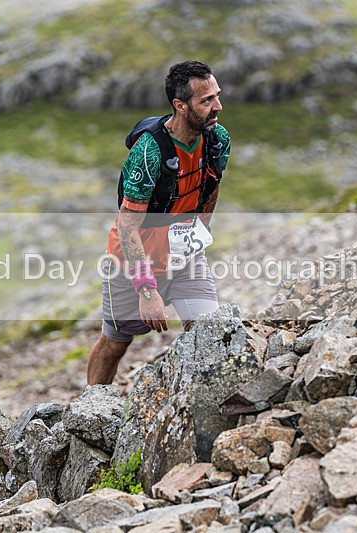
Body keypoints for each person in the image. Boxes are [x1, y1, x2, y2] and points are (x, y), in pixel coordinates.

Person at [87, 60, 231, 385]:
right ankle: (89, 406)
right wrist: (147, 289)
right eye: (206, 100)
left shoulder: (217, 139)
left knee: (208, 328)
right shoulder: (149, 152)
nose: (218, 106)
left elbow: (212, 184)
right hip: (131, 262)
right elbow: (127, 227)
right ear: (180, 106)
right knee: (116, 342)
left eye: (217, 96)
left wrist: (201, 232)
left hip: (185, 257)